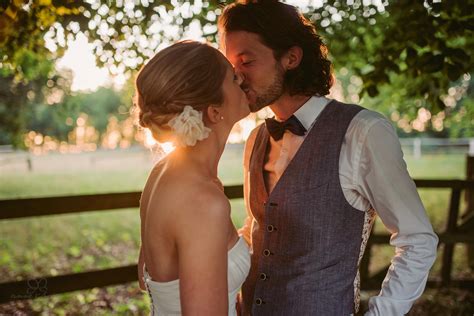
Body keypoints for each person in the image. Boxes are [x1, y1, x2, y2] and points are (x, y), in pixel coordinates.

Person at [218, 1, 439, 315]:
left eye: (247, 61)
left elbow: (418, 239)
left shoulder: (363, 132)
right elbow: (261, 230)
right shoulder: (256, 139)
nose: (237, 77)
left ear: (291, 58)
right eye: (231, 66)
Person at [135, 40, 251, 315]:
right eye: (233, 78)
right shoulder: (201, 200)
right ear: (214, 111)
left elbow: (147, 278)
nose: (243, 79)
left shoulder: (164, 173)